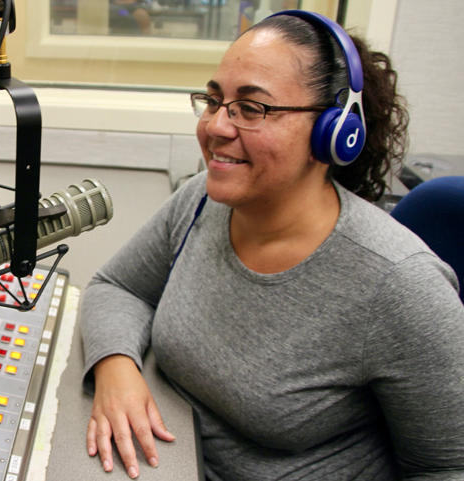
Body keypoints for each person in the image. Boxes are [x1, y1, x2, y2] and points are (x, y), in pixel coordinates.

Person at [80, 11, 464, 481]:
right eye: (214, 99)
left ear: (335, 132)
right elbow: (117, 285)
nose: (217, 126)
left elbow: (446, 467)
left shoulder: (402, 285)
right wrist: (116, 368)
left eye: (251, 107)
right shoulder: (201, 199)